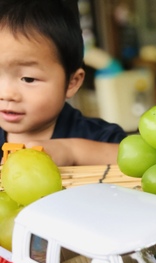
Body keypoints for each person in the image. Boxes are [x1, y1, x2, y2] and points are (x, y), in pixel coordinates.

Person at [0, 0, 128, 166]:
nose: (6, 94)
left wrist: (72, 151)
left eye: (28, 79)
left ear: (72, 83)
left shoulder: (98, 136)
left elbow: (134, 160)